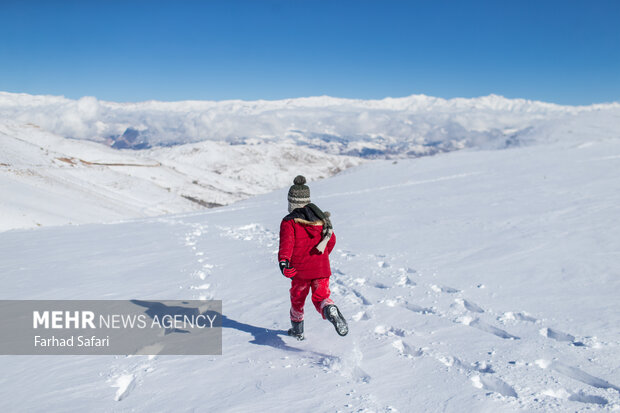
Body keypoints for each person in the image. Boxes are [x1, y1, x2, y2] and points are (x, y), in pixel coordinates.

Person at [278, 175, 348, 340]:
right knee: (321, 296)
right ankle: (329, 309)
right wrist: (321, 257)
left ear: (291, 202)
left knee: (297, 300)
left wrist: (284, 263)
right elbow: (332, 239)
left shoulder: (289, 221)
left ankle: (297, 330)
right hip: (321, 269)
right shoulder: (321, 219)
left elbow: (286, 245)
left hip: (300, 271)